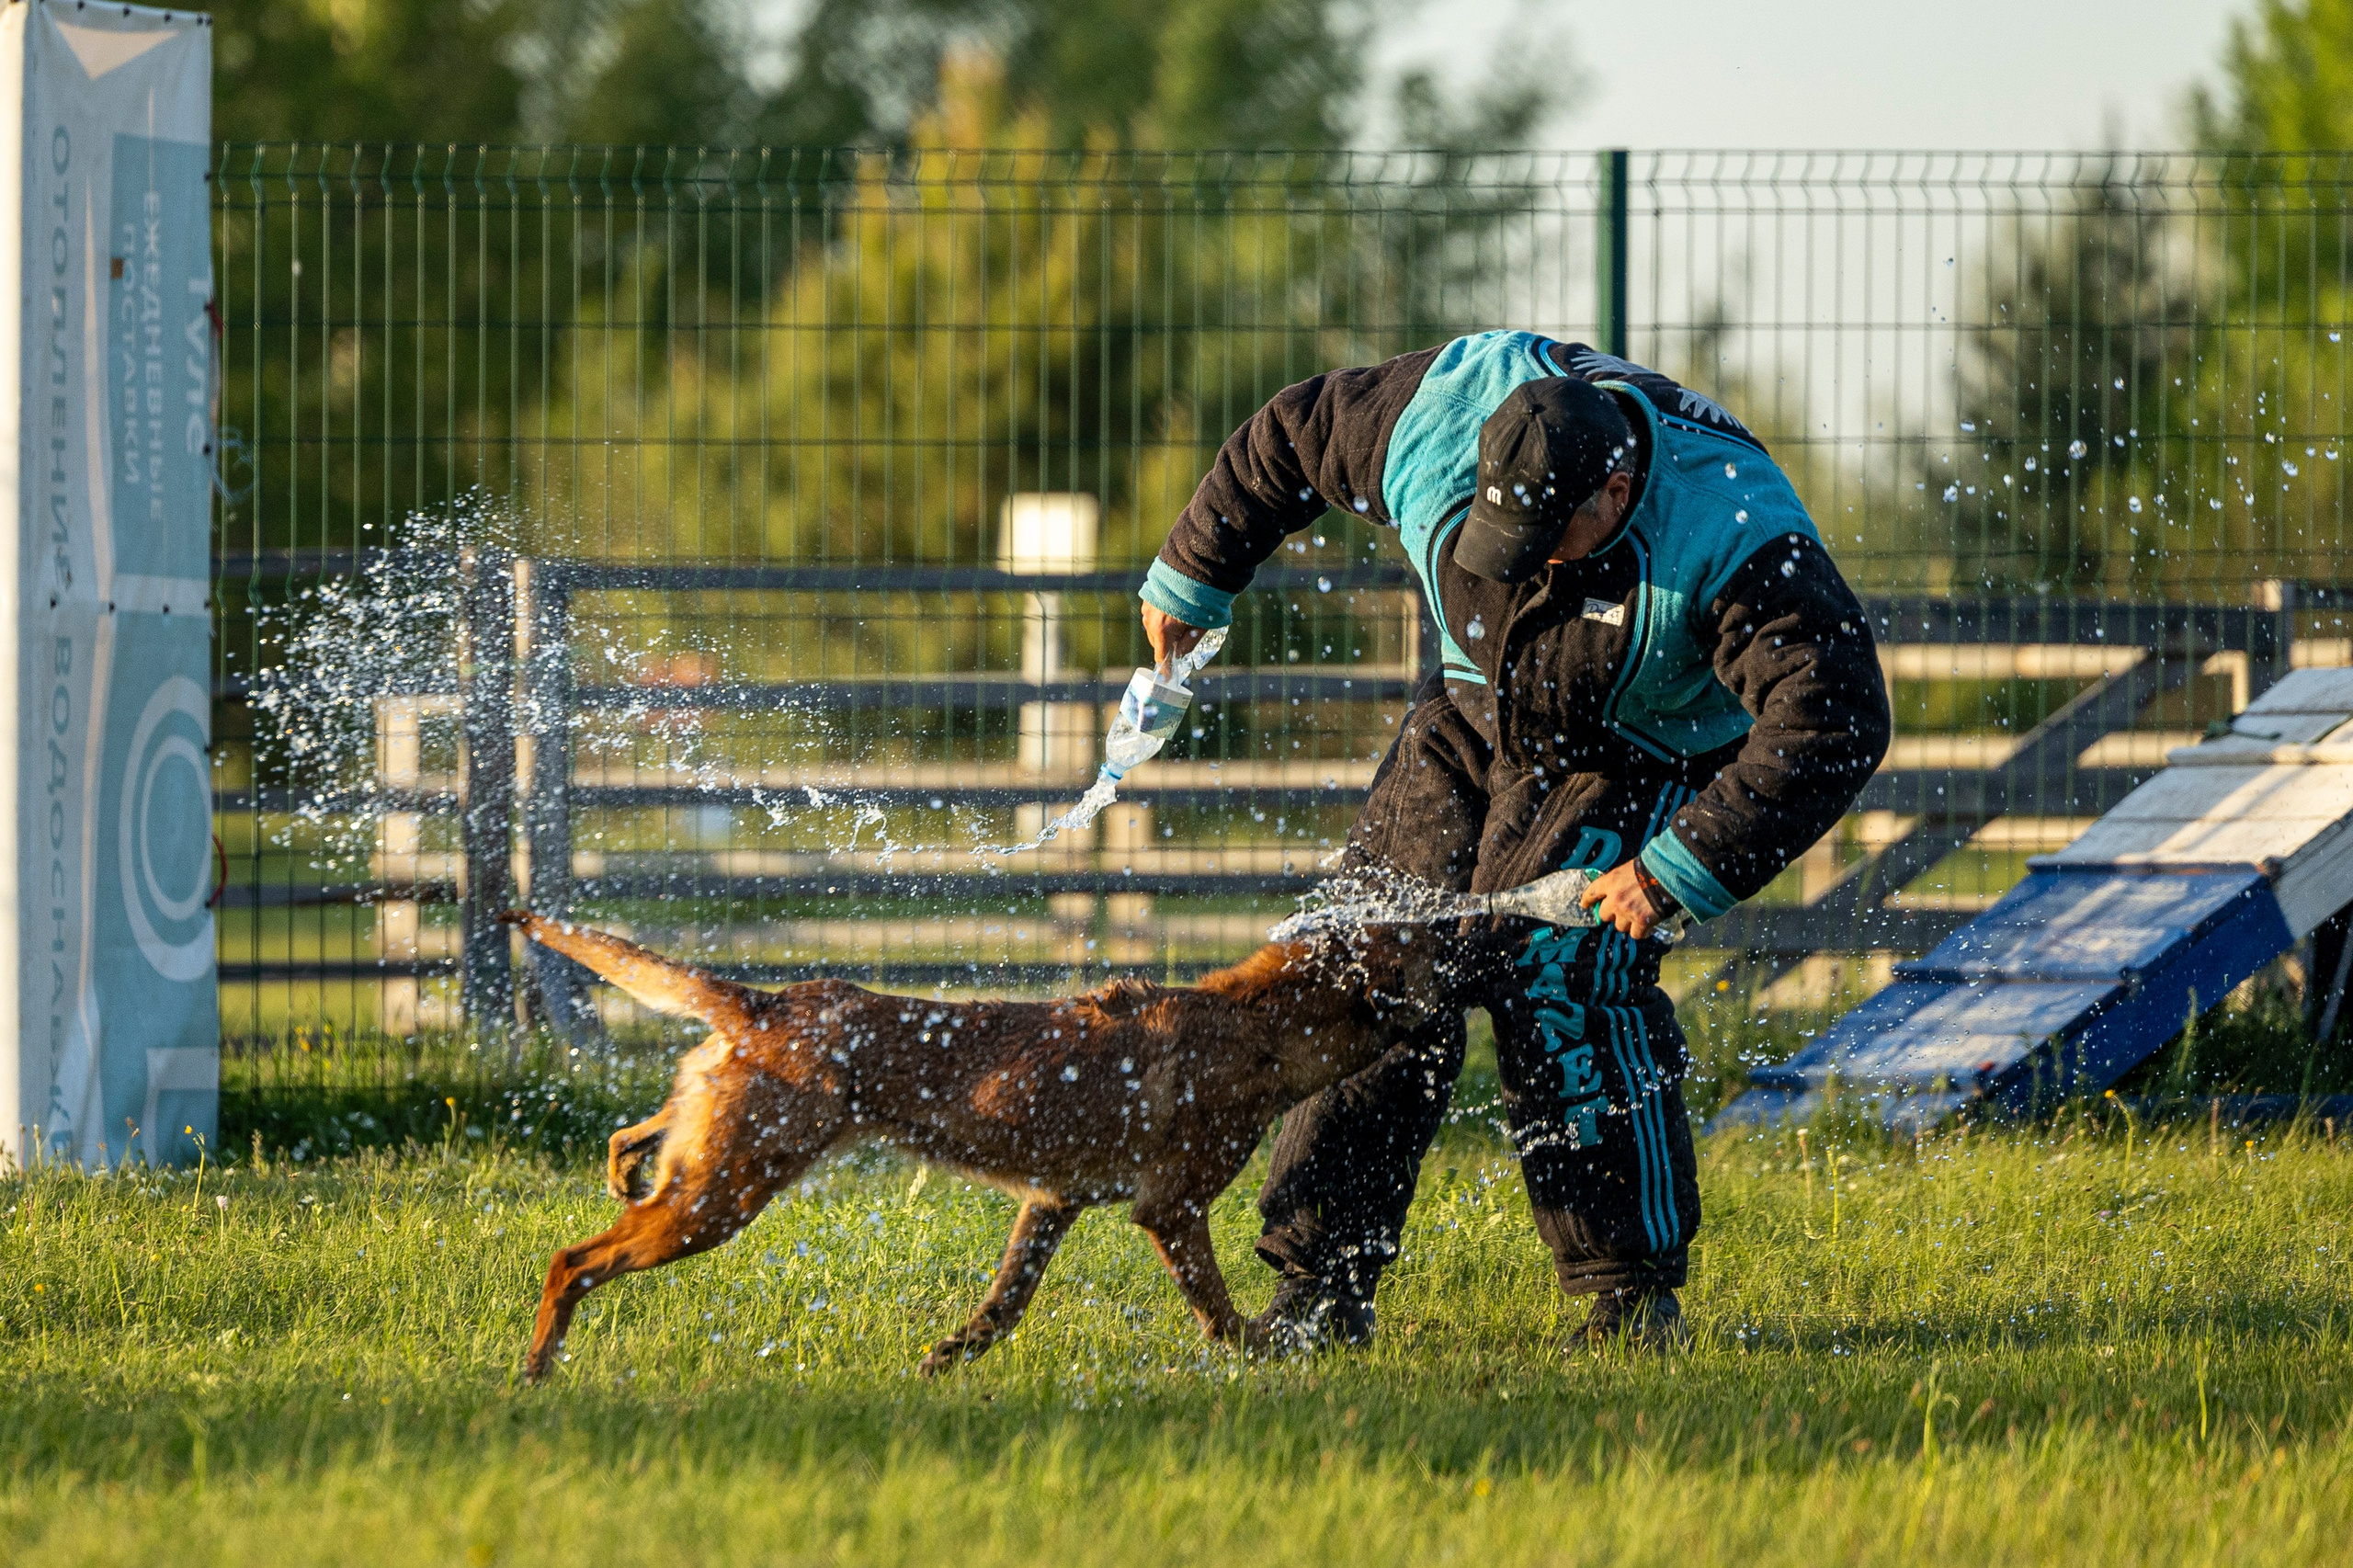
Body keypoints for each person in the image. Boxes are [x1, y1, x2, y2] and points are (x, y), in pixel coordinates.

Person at [1137, 332, 1891, 1352]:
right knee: (1374, 956)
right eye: (1507, 537)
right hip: (1468, 703)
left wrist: (1678, 868)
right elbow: (1289, 430)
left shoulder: (1735, 533)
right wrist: (1192, 573)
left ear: (1617, 490)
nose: (1525, 564)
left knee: (1558, 971)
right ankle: (1318, 1286)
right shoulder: (1436, 414)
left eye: (1552, 539)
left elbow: (1834, 717)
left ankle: (1629, 1298)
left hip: (1638, 740)